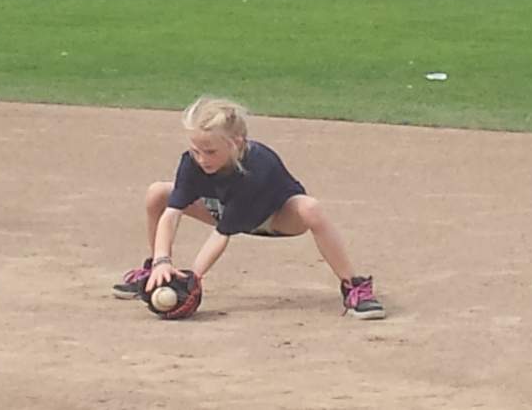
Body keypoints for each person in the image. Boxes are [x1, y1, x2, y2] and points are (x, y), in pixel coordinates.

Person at [112, 96, 385, 320]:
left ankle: (353, 286)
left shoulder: (256, 169)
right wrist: (163, 261)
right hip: (221, 209)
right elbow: (171, 213)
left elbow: (221, 235)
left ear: (237, 143)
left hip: (275, 219)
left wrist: (193, 278)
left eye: (210, 152)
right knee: (157, 192)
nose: (202, 159)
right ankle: (153, 275)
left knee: (311, 209)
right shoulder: (191, 163)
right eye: (196, 150)